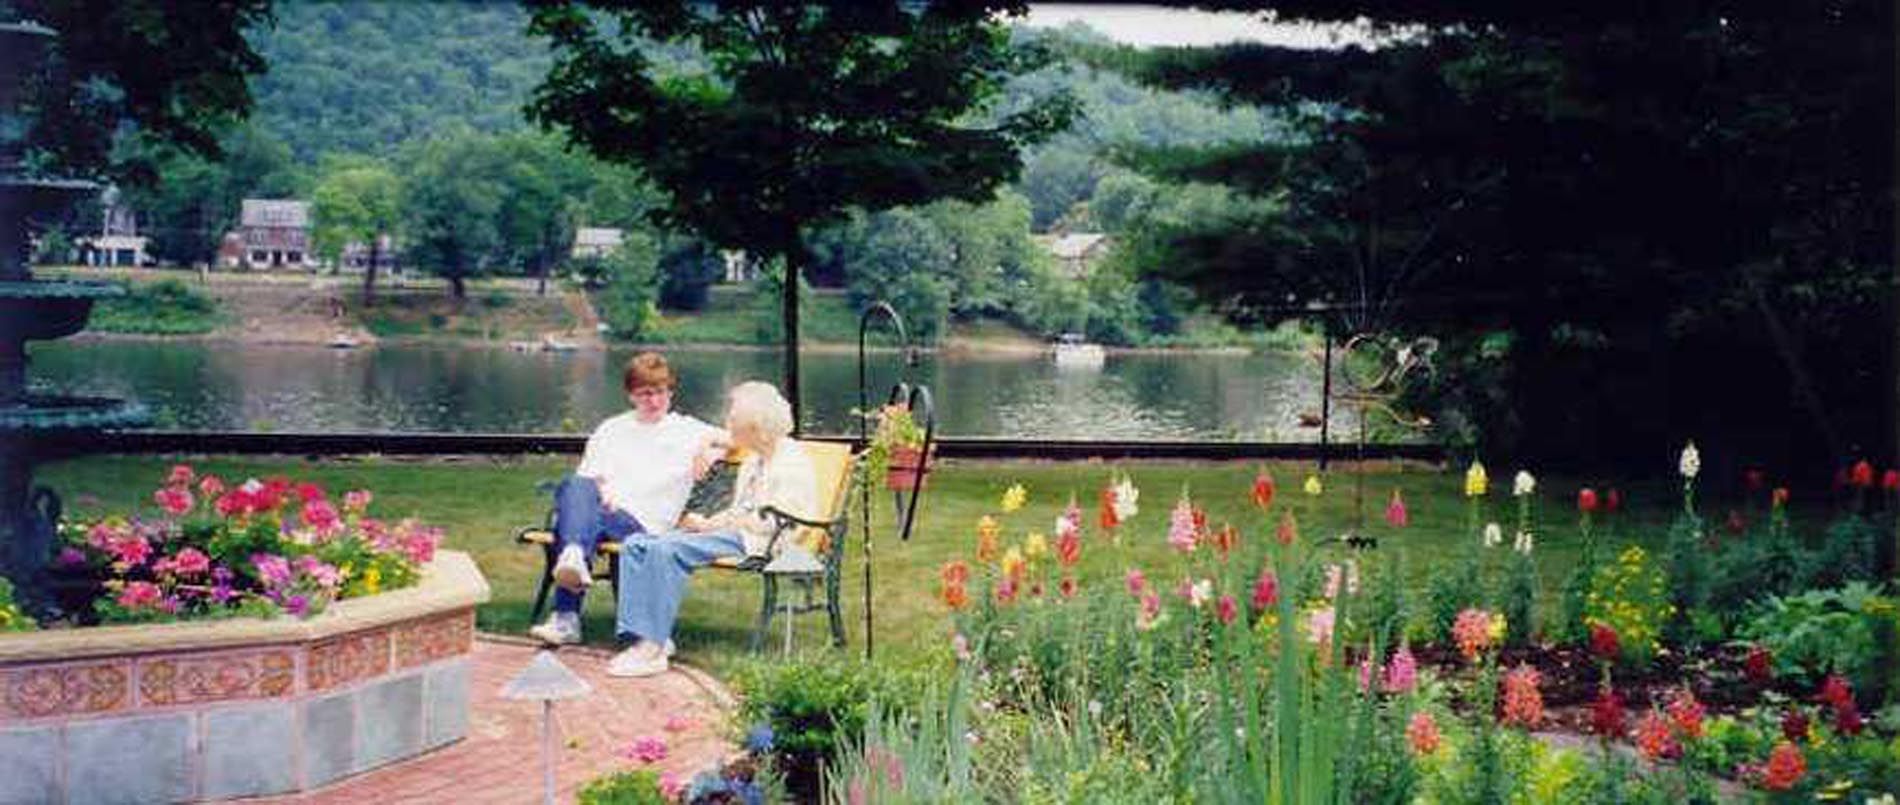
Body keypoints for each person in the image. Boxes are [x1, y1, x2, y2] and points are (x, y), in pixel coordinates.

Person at [608, 381, 818, 678]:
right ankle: (642, 636)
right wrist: (708, 524)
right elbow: (740, 509)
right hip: (738, 534)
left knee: (668, 550)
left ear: (755, 426)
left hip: (765, 543)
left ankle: (652, 648)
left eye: (733, 420)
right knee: (638, 543)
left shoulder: (790, 461)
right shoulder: (754, 459)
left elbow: (783, 520)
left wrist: (724, 524)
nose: (728, 424)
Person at [528, 352, 726, 646]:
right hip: (605, 512)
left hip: (644, 523)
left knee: (577, 516)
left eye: (660, 392)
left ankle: (566, 612)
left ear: (670, 392)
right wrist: (602, 491)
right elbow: (589, 478)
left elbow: (741, 437)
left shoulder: (687, 429)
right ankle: (574, 557)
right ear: (631, 395)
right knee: (575, 486)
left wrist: (712, 448)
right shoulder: (612, 429)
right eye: (645, 394)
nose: (655, 401)